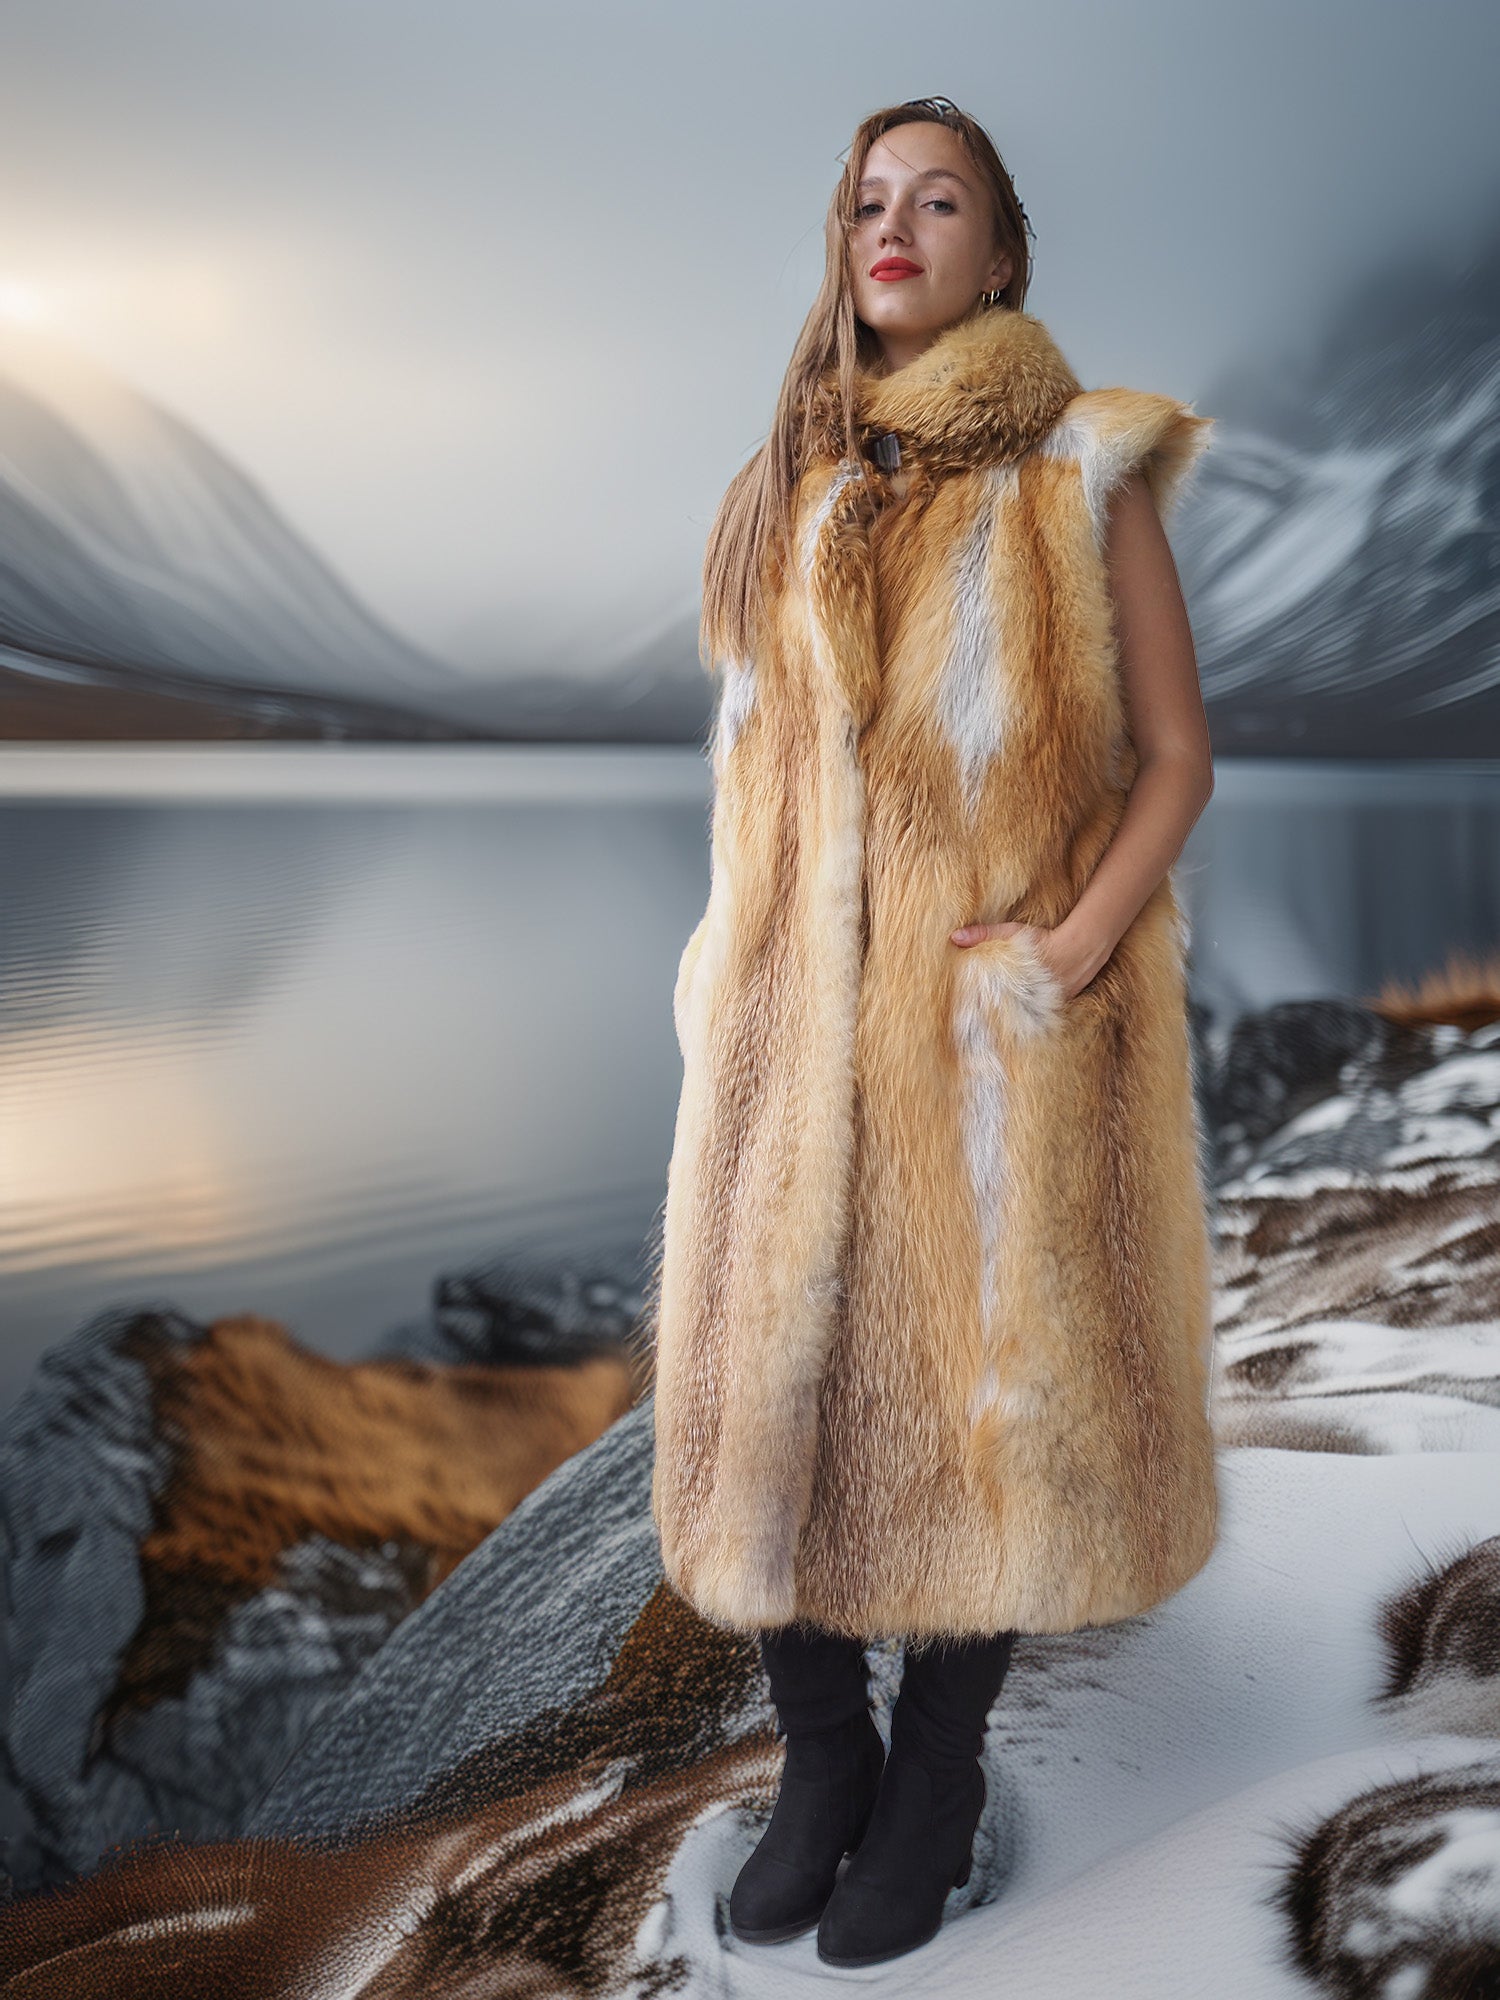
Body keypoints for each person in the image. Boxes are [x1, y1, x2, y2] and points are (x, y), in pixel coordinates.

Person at [648, 96, 1220, 1968]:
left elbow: (1178, 758)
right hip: (777, 1034)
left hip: (985, 1036)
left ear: (1001, 253)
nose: (895, 224)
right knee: (764, 1390)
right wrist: (721, 980)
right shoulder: (785, 485)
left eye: (939, 197)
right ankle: (825, 1753)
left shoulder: (1081, 474)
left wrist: (1060, 956)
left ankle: (942, 1770)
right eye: (869, 199)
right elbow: (752, 780)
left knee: (981, 1391)